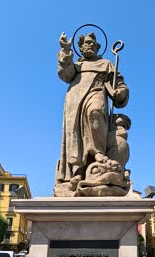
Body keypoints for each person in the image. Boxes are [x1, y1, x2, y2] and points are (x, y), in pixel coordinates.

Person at [55, 31, 130, 193]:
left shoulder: (105, 63)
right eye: (85, 43)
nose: (89, 45)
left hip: (96, 93)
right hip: (74, 101)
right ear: (80, 48)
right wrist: (66, 51)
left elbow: (119, 82)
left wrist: (121, 91)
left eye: (92, 43)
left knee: (94, 113)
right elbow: (64, 74)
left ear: (97, 47)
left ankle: (98, 154)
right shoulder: (76, 65)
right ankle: (77, 171)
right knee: (75, 134)